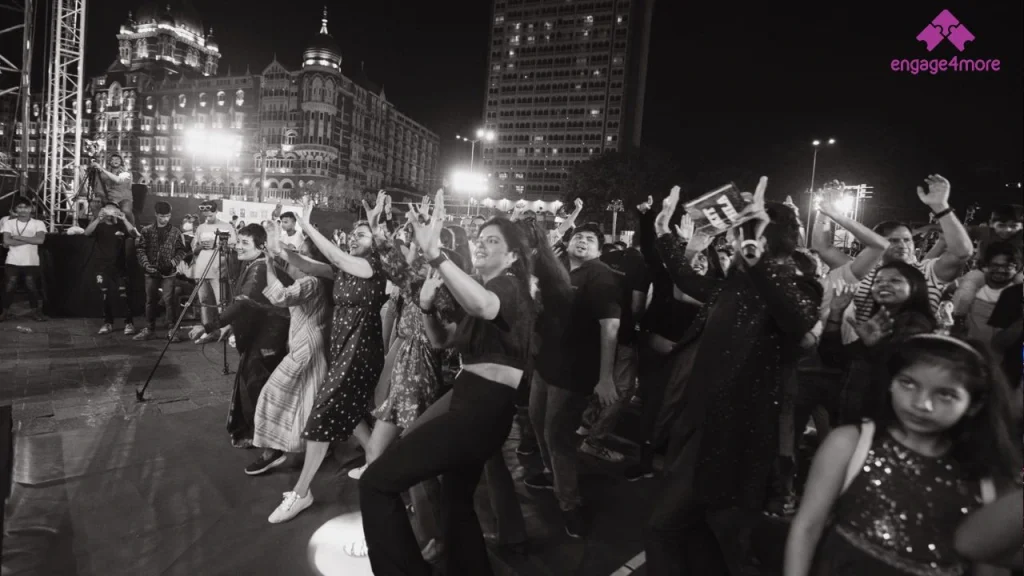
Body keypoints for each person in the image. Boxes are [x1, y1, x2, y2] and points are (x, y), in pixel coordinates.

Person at [644, 181, 821, 575]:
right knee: (704, 536)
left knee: (668, 529)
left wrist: (754, 252)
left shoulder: (799, 287)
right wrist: (662, 231)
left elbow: (798, 318)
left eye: (739, 232)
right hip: (698, 425)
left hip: (736, 437)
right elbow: (687, 281)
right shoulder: (734, 286)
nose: (731, 240)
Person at [359, 191, 537, 576]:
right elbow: (440, 337)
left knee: (376, 482)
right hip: (470, 402)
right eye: (480, 239)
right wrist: (423, 304)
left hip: (480, 410)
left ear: (512, 257)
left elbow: (484, 305)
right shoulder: (476, 289)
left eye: (494, 241)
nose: (482, 245)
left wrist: (437, 254)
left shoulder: (510, 287)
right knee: (456, 504)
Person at [785, 335, 1020, 576]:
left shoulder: (986, 477)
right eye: (908, 383)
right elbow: (807, 527)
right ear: (890, 382)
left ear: (974, 404)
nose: (922, 403)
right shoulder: (849, 444)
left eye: (945, 394)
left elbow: (989, 566)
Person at [267, 200, 387, 524]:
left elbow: (334, 256)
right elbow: (303, 263)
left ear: (375, 242)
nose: (353, 238)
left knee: (321, 416)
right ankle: (377, 464)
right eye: (352, 234)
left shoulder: (372, 267)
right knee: (352, 411)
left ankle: (301, 492)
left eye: (361, 235)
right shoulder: (343, 269)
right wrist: (277, 245)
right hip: (343, 348)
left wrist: (307, 225)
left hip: (361, 350)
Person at [188, 224, 289, 448]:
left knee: (256, 383)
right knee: (252, 381)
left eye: (245, 243)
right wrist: (229, 327)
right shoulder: (254, 264)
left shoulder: (259, 268)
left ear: (261, 246)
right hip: (263, 331)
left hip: (269, 336)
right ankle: (259, 433)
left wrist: (208, 326)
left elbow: (244, 304)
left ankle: (262, 436)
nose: (238, 247)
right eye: (239, 242)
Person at [245, 224, 331, 476]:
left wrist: (269, 265)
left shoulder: (311, 283)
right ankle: (318, 447)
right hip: (311, 344)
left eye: (302, 253)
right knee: (310, 400)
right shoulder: (318, 281)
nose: (296, 257)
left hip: (305, 348)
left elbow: (280, 296)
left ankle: (272, 451)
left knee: (271, 394)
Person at [134, 201, 187, 342]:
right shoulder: (146, 231)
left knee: (169, 300)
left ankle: (172, 330)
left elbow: (182, 251)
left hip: (169, 272)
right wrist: (146, 265)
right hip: (151, 271)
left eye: (167, 216)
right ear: (156, 214)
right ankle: (149, 329)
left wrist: (172, 263)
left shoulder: (176, 232)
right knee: (150, 301)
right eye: (162, 216)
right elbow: (140, 250)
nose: (165, 219)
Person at [84, 202, 140, 335]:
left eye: (113, 210)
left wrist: (124, 219)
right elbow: (86, 233)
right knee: (105, 295)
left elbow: (134, 234)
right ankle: (107, 323)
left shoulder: (121, 226)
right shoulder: (99, 226)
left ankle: (129, 323)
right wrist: (98, 218)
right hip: (102, 267)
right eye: (108, 209)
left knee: (124, 295)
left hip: (119, 267)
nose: (110, 212)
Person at [191, 201, 237, 338]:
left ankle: (224, 331)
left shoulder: (227, 226)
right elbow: (194, 249)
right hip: (201, 270)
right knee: (204, 302)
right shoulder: (200, 228)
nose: (208, 217)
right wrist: (201, 246)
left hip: (219, 270)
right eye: (205, 214)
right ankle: (208, 331)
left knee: (221, 303)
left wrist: (217, 244)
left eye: (210, 214)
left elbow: (233, 247)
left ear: (216, 212)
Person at [0, 197, 47, 322]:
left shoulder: (38, 223)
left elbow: (40, 240)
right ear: (15, 209)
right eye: (20, 207)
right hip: (12, 260)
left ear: (31, 209)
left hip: (31, 261)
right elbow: (6, 241)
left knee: (31, 286)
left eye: (26, 207)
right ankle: (4, 313)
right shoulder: (9, 223)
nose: (23, 210)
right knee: (9, 286)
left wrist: (18, 237)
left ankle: (35, 312)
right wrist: (30, 240)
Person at [90, 153, 135, 224]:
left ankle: (133, 228)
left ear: (121, 161)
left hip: (123, 199)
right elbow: (98, 184)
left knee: (125, 210)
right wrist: (98, 196)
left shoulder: (127, 173)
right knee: (93, 204)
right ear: (109, 162)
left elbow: (118, 180)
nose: (115, 161)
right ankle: (101, 225)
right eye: (112, 159)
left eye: (117, 159)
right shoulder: (104, 173)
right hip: (109, 199)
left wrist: (101, 168)